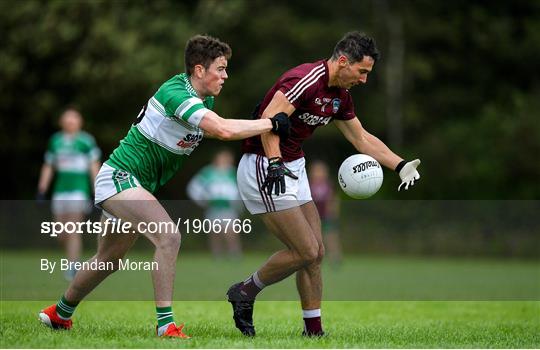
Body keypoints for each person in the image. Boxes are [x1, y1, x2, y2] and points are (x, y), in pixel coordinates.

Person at [38, 34, 290, 339]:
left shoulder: (202, 101)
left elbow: (216, 128)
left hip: (131, 182)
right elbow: (222, 129)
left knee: (108, 260)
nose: (225, 75)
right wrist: (270, 123)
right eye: (221, 68)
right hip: (121, 177)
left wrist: (250, 126)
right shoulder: (177, 94)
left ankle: (59, 314)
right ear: (199, 70)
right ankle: (165, 325)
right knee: (169, 237)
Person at [227, 31, 421, 337]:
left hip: (293, 165)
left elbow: (361, 138)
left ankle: (313, 331)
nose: (364, 80)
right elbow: (269, 119)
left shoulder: (340, 97)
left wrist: (399, 164)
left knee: (316, 253)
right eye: (362, 72)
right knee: (305, 250)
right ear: (343, 62)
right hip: (264, 164)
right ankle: (244, 291)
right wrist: (275, 163)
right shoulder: (305, 79)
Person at [37, 107, 101, 281]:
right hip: (60, 191)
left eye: (74, 119)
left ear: (79, 122)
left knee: (72, 229)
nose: (70, 122)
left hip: (79, 191)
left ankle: (73, 266)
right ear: (62, 122)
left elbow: (93, 166)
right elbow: (49, 166)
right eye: (67, 119)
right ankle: (72, 260)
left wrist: (97, 190)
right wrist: (42, 188)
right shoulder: (55, 141)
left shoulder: (86, 141)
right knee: (60, 232)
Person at [187, 149, 243, 260]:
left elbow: (240, 190)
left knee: (230, 231)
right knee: (214, 232)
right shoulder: (208, 172)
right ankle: (217, 255)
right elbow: (194, 187)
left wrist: (238, 203)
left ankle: (234, 254)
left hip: (228, 207)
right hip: (213, 207)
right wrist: (202, 200)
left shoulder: (233, 172)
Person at [308, 160, 342, 267]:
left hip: (326, 216)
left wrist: (334, 212)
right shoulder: (308, 186)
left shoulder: (328, 186)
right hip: (313, 217)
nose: (318, 174)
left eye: (320, 171)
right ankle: (313, 258)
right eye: (316, 171)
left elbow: (334, 199)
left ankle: (335, 258)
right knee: (313, 239)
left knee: (331, 237)